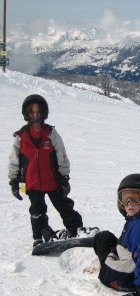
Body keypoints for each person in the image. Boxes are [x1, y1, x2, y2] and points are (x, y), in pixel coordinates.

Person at [8, 94, 83, 247]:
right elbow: (14, 161)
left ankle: (76, 230)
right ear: (27, 114)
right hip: (32, 182)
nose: (35, 115)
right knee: (37, 210)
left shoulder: (51, 133)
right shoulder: (20, 137)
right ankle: (40, 236)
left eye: (38, 112)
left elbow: (61, 155)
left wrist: (64, 177)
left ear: (44, 113)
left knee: (64, 206)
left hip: (53, 180)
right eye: (32, 112)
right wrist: (14, 181)